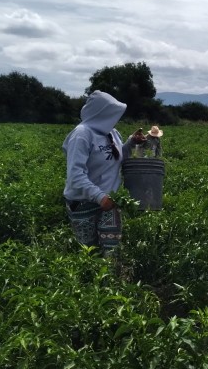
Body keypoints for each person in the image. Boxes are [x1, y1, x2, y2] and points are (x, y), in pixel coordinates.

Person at [62, 91, 146, 254]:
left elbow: (115, 158)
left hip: (110, 201)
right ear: (101, 114)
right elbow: (75, 175)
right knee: (90, 253)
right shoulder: (81, 135)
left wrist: (131, 143)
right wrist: (99, 196)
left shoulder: (112, 133)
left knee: (112, 252)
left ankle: (113, 279)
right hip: (84, 202)